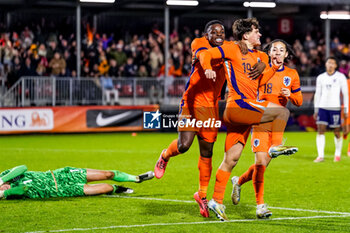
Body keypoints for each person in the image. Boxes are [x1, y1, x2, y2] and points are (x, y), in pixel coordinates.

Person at [154, 20, 265, 218]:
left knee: (207, 151)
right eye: (214, 31)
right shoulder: (199, 43)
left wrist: (262, 63)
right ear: (207, 34)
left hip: (211, 106)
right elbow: (203, 55)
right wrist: (206, 67)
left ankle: (202, 195)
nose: (218, 34)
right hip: (192, 102)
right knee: (184, 145)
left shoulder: (228, 50)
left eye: (222, 31)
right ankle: (165, 156)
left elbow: (251, 55)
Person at [199, 18, 298, 221]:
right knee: (281, 112)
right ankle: (275, 146)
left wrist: (269, 66)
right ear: (246, 35)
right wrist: (207, 67)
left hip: (244, 113)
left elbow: (261, 79)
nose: (260, 35)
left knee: (231, 159)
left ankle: (216, 200)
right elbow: (206, 54)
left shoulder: (261, 55)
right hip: (238, 104)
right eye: (256, 31)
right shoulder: (231, 48)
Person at [231, 39, 303, 219]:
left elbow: (300, 101)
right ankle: (260, 206)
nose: (278, 52)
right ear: (269, 53)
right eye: (274, 50)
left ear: (287, 54)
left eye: (281, 50)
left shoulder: (292, 74)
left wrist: (291, 95)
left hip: (277, 124)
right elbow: (258, 81)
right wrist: (272, 67)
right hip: (261, 119)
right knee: (261, 166)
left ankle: (238, 181)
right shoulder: (260, 68)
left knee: (260, 165)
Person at [0, 165, 154, 199]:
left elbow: (22, 168)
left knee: (107, 173)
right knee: (105, 188)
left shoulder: (6, 176)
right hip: (61, 190)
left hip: (62, 175)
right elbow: (24, 189)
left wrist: (2, 179)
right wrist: (3, 193)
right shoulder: (8, 194)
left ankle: (137, 178)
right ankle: (116, 188)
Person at [313, 57, 349, 162]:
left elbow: (345, 94)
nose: (330, 65)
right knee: (320, 130)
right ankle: (320, 156)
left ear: (336, 66)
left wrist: (345, 109)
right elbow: (317, 94)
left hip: (335, 108)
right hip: (323, 107)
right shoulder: (320, 77)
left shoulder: (341, 77)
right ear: (326, 64)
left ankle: (337, 154)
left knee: (337, 132)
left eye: (333, 63)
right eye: (329, 63)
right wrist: (316, 109)